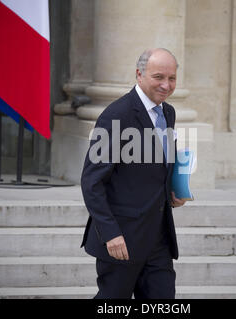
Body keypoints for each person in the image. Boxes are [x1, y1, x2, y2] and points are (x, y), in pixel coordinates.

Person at [80, 48, 186, 299]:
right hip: (122, 239)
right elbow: (91, 181)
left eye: (172, 78)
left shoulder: (168, 112)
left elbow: (153, 166)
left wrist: (172, 190)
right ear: (139, 74)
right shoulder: (116, 115)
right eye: (158, 77)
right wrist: (111, 234)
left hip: (158, 238)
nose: (166, 85)